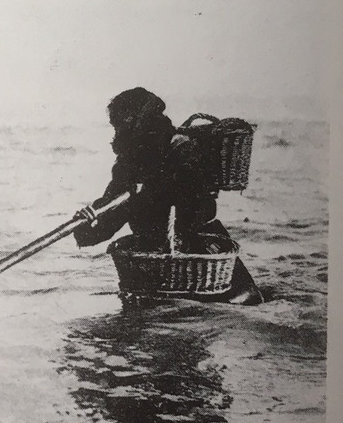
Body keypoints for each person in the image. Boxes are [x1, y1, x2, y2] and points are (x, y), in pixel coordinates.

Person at [74, 87, 260, 303]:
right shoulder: (128, 162)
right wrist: (84, 224)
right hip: (156, 264)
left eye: (120, 125)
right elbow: (107, 222)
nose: (117, 134)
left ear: (137, 122)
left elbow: (195, 212)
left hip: (200, 260)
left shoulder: (184, 150)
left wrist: (140, 198)